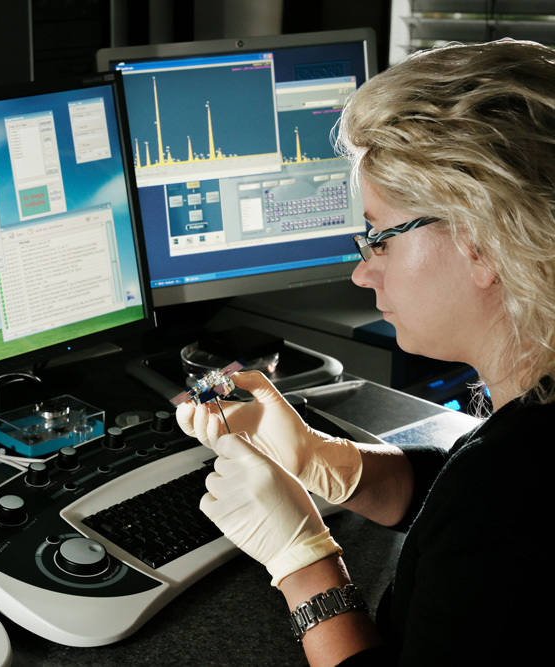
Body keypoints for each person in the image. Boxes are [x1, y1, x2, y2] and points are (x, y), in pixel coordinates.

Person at [177, 39, 554, 665]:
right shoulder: (525, 433)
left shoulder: (515, 487)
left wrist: (304, 564)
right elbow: (464, 501)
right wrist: (327, 460)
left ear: (483, 240)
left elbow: (491, 515)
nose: (362, 273)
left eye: (380, 237)